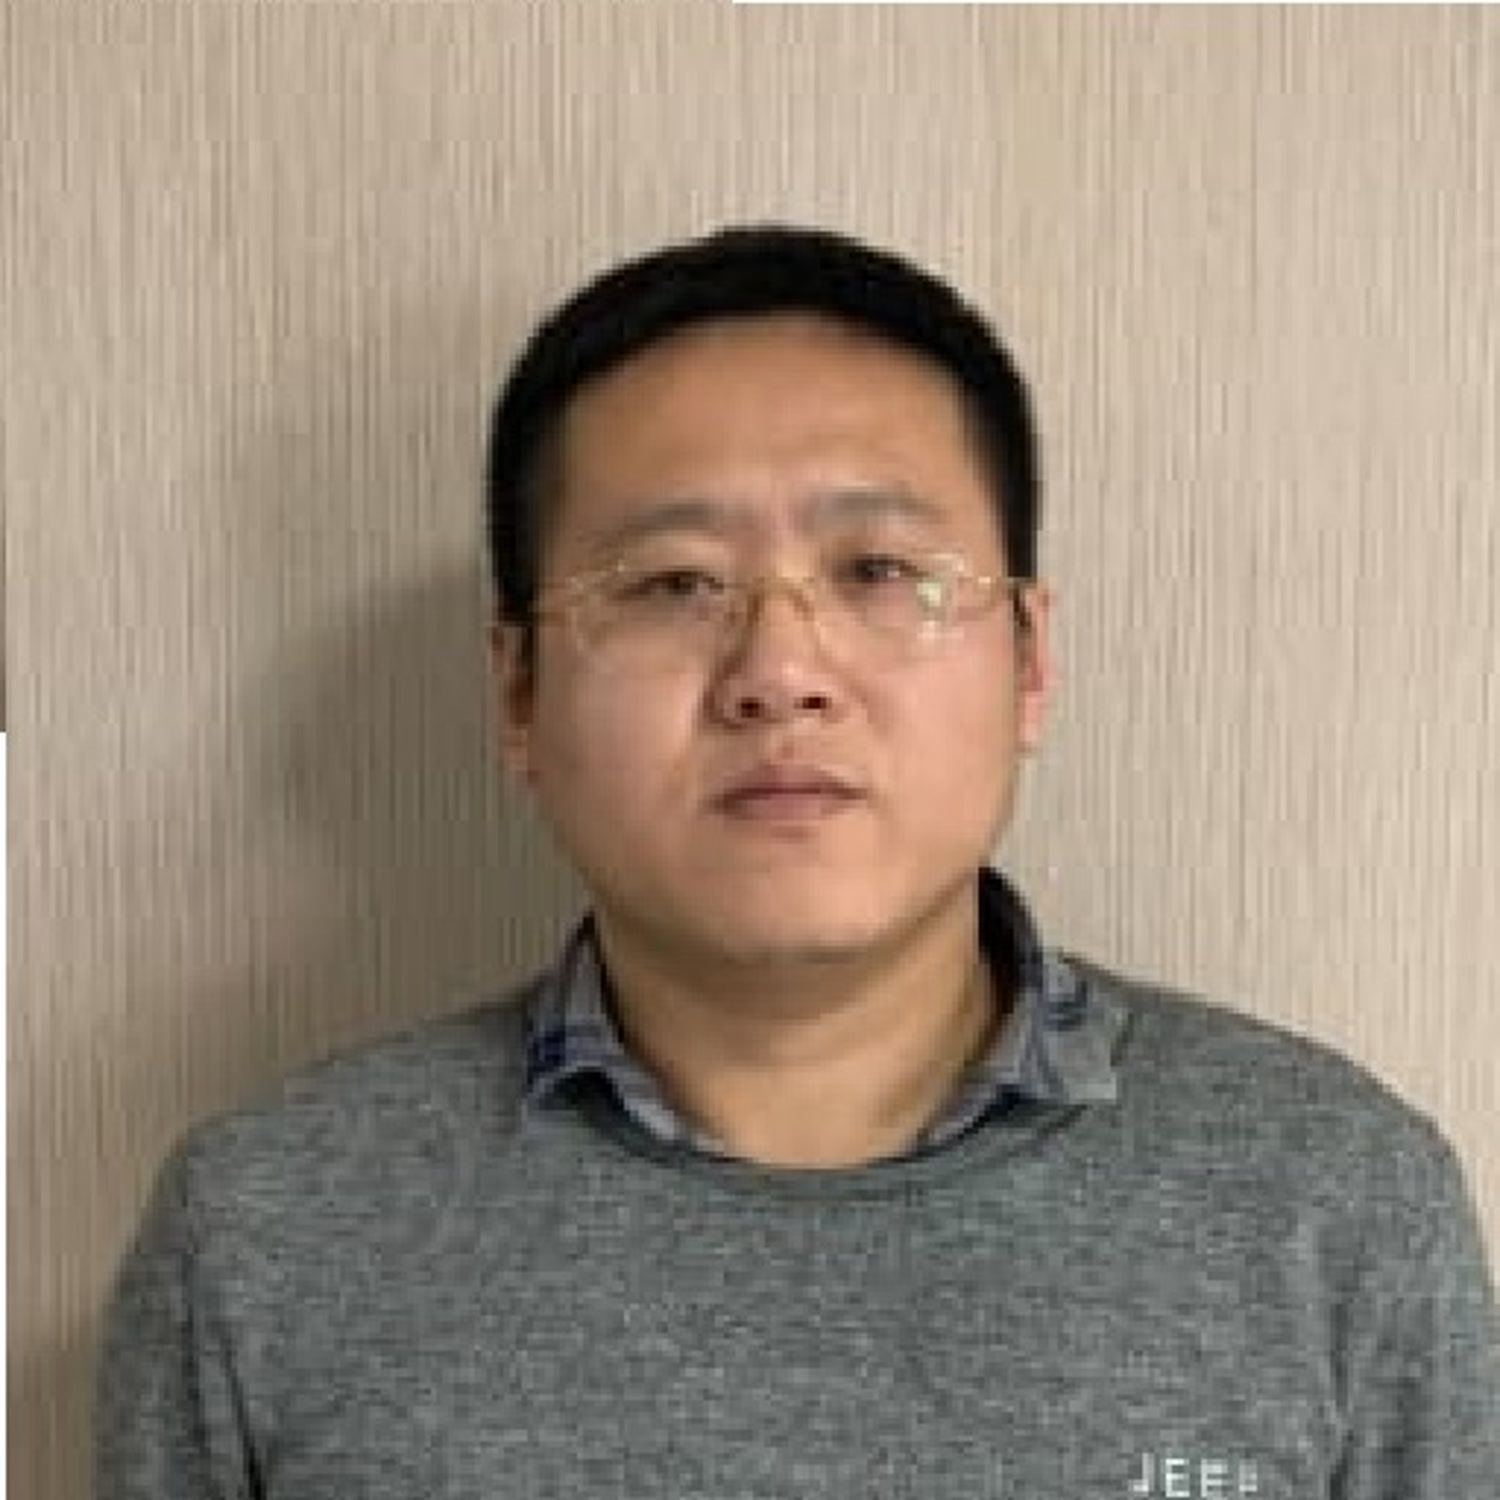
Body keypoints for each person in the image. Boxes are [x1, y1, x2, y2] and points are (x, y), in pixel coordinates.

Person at [97, 225, 1497, 1499]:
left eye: (880, 571)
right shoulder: (268, 1233)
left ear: (1030, 660)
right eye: (672, 584)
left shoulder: (1331, 1201)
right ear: (518, 692)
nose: (779, 670)